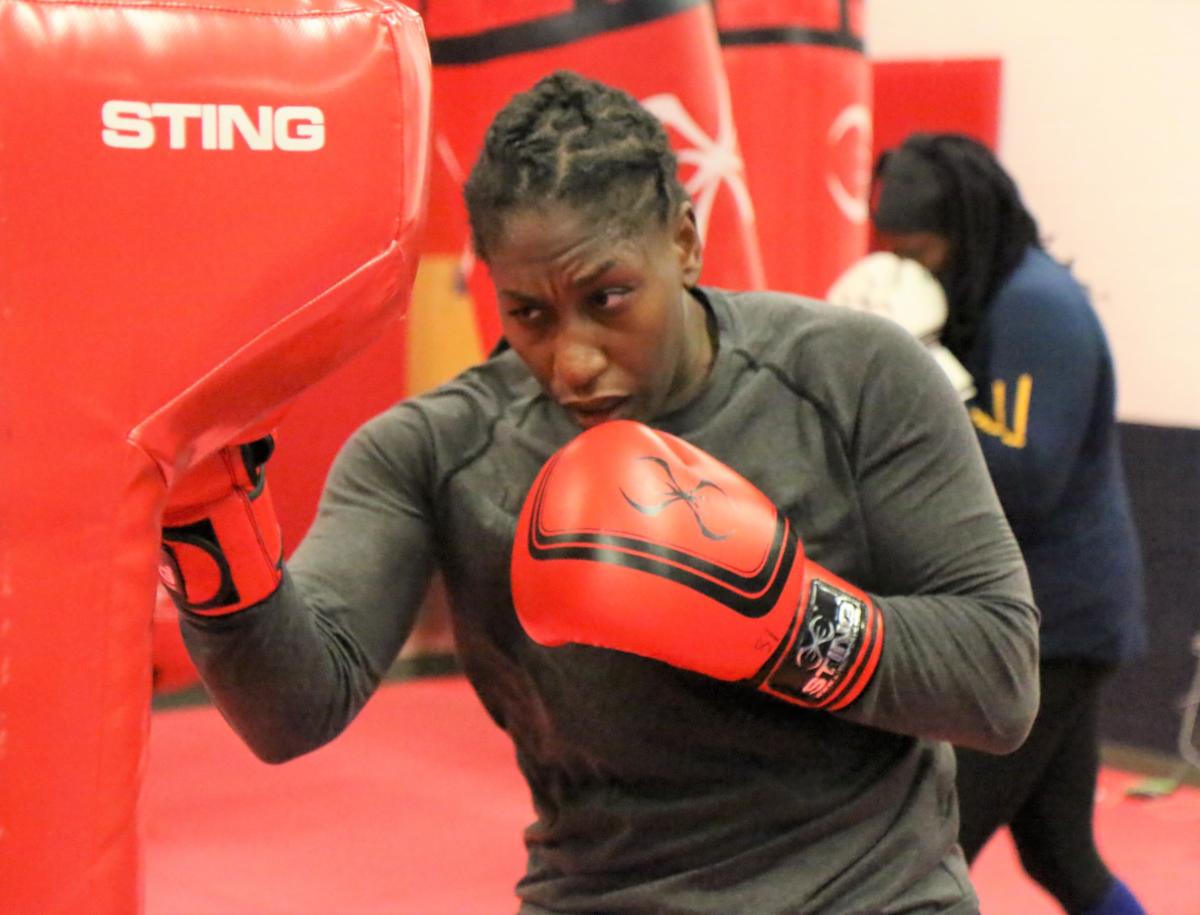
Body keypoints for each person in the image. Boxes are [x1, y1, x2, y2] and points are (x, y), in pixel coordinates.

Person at [163, 72, 1040, 914]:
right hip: (601, 894)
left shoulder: (854, 375)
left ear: (684, 242)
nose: (573, 360)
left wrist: (780, 619)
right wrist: (209, 517)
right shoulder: (434, 450)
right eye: (530, 315)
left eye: (608, 297)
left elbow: (998, 682)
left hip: (868, 894)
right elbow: (293, 712)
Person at [871, 132, 1149, 915]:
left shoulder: (1036, 306)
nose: (909, 273)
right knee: (1062, 854)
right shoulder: (992, 291)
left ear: (962, 231)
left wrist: (926, 370)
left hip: (1052, 626)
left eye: (919, 253)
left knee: (918, 856)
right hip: (1051, 618)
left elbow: (1027, 478)